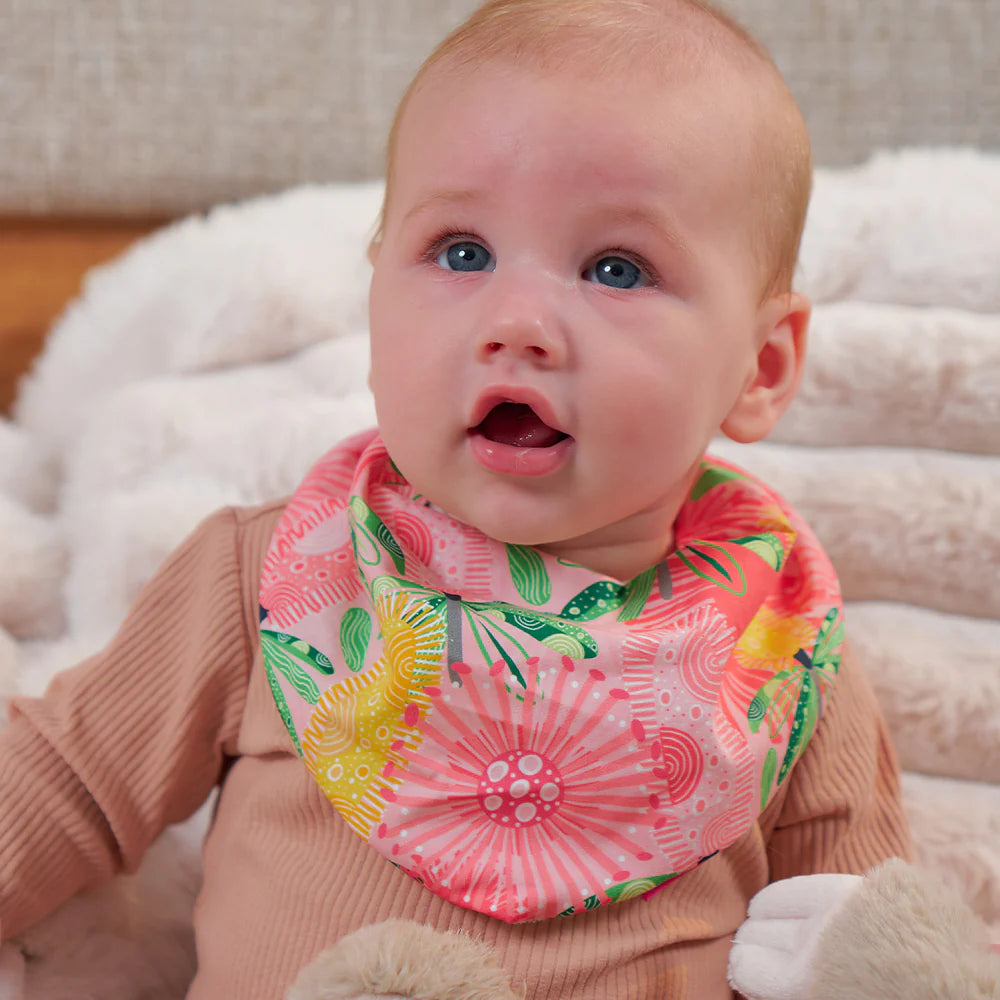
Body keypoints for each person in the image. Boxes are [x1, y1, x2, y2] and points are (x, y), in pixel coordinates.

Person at [0, 1, 911, 997]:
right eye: (462, 252)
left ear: (761, 365)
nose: (516, 323)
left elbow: (852, 925)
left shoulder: (776, 643)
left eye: (616, 268)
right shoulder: (276, 577)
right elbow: (68, 782)